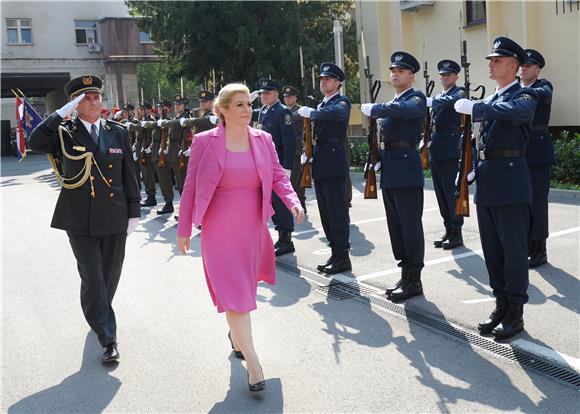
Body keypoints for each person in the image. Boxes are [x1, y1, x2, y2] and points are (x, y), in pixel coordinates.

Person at [176, 83, 304, 391]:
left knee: (242, 291)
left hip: (251, 225)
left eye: (249, 104)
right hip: (218, 227)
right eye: (239, 105)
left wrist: (293, 200)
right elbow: (191, 186)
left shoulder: (263, 139)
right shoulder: (205, 142)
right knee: (236, 295)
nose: (247, 110)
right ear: (221, 111)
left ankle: (236, 337)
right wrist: (183, 229)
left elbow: (276, 175)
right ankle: (254, 362)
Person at [28, 75, 141, 363]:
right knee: (93, 278)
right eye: (85, 98)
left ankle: (98, 312)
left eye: (96, 96)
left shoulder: (118, 132)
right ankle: (108, 339)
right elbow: (35, 141)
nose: (93, 102)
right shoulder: (65, 132)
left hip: (115, 217)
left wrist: (134, 212)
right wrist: (60, 113)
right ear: (75, 105)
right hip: (79, 220)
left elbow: (129, 174)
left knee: (108, 277)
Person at [454, 36, 538, 341]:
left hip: (511, 181)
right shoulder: (491, 98)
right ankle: (501, 303)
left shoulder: (525, 97)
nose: (491, 64)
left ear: (514, 66)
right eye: (490, 60)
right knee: (492, 249)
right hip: (488, 181)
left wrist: (478, 108)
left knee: (514, 250)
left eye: (497, 60)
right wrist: (472, 168)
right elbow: (480, 140)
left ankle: (515, 312)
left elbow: (511, 113)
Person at [361, 52, 426, 301]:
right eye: (392, 70)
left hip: (407, 169)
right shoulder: (393, 102)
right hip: (390, 167)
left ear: (411, 76)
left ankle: (414, 279)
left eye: (400, 71)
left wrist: (377, 108)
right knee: (396, 226)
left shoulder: (415, 98)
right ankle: (405, 271)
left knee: (410, 225)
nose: (395, 74)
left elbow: (405, 110)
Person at [298, 63, 352, 275]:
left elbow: (335, 114)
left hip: (334, 162)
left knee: (337, 212)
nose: (323, 81)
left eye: (328, 79)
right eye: (321, 79)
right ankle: (335, 252)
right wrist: (307, 150)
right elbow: (311, 132)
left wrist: (313, 112)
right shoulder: (321, 105)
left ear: (338, 83)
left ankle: (343, 256)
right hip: (320, 161)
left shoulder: (341, 102)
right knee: (326, 212)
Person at [250, 79, 297, 256]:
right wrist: (248, 98)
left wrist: (286, 169)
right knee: (271, 202)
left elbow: (290, 142)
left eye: (267, 93)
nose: (263, 96)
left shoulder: (282, 112)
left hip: (277, 166)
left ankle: (287, 240)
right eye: (262, 93)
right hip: (263, 165)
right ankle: (280, 235)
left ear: (276, 94)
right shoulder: (263, 110)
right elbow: (242, 111)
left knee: (280, 202)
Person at [427, 59, 466, 250]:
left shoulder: (458, 93)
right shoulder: (439, 94)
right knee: (440, 193)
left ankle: (457, 233)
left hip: (450, 148)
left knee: (451, 193)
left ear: (456, 76)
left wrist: (433, 101)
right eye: (442, 74)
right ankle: (448, 229)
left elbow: (453, 102)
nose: (445, 77)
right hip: (437, 148)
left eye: (448, 74)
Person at [520, 49, 554, 268]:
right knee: (522, 203)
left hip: (538, 154)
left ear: (538, 69)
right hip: (517, 152)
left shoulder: (544, 87)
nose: (524, 68)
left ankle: (540, 249)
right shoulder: (515, 89)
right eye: (522, 65)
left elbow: (538, 96)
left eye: (529, 65)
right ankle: (526, 245)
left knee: (537, 204)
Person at [282, 85, 307, 211]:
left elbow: (290, 119)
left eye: (290, 96)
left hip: (296, 149)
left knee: (296, 179)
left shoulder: (299, 110)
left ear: (295, 97)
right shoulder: (283, 111)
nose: (287, 99)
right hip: (285, 149)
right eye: (285, 97)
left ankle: (300, 203)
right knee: (286, 178)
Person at [152, 98, 176, 215]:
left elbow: (168, 137)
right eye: (159, 107)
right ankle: (167, 202)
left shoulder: (168, 121)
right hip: (157, 152)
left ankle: (169, 203)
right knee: (162, 179)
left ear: (167, 109)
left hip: (163, 153)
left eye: (162, 107)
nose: (159, 109)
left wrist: (165, 149)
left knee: (165, 179)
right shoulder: (159, 120)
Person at [136, 102, 158, 207]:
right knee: (144, 175)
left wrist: (149, 148)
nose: (140, 111)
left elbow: (153, 137)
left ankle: (151, 197)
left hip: (147, 152)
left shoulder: (151, 121)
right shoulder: (142, 121)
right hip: (142, 151)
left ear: (148, 110)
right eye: (140, 109)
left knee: (148, 175)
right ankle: (149, 195)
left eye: (142, 109)